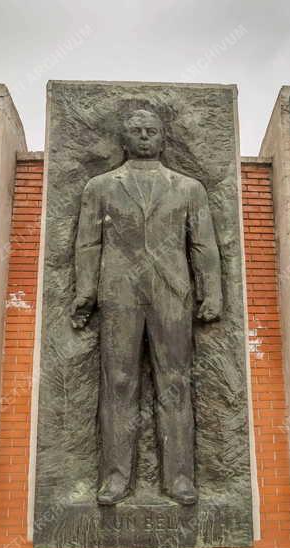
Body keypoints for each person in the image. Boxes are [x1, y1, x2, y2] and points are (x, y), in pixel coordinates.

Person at [71, 109, 222, 506]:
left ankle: (180, 478)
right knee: (118, 383)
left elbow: (203, 244)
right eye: (136, 132)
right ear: (124, 139)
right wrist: (85, 292)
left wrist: (212, 293)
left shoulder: (189, 188)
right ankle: (116, 478)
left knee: (175, 383)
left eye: (151, 132)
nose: (143, 137)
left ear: (162, 138)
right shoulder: (100, 186)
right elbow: (88, 243)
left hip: (172, 294)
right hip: (118, 293)